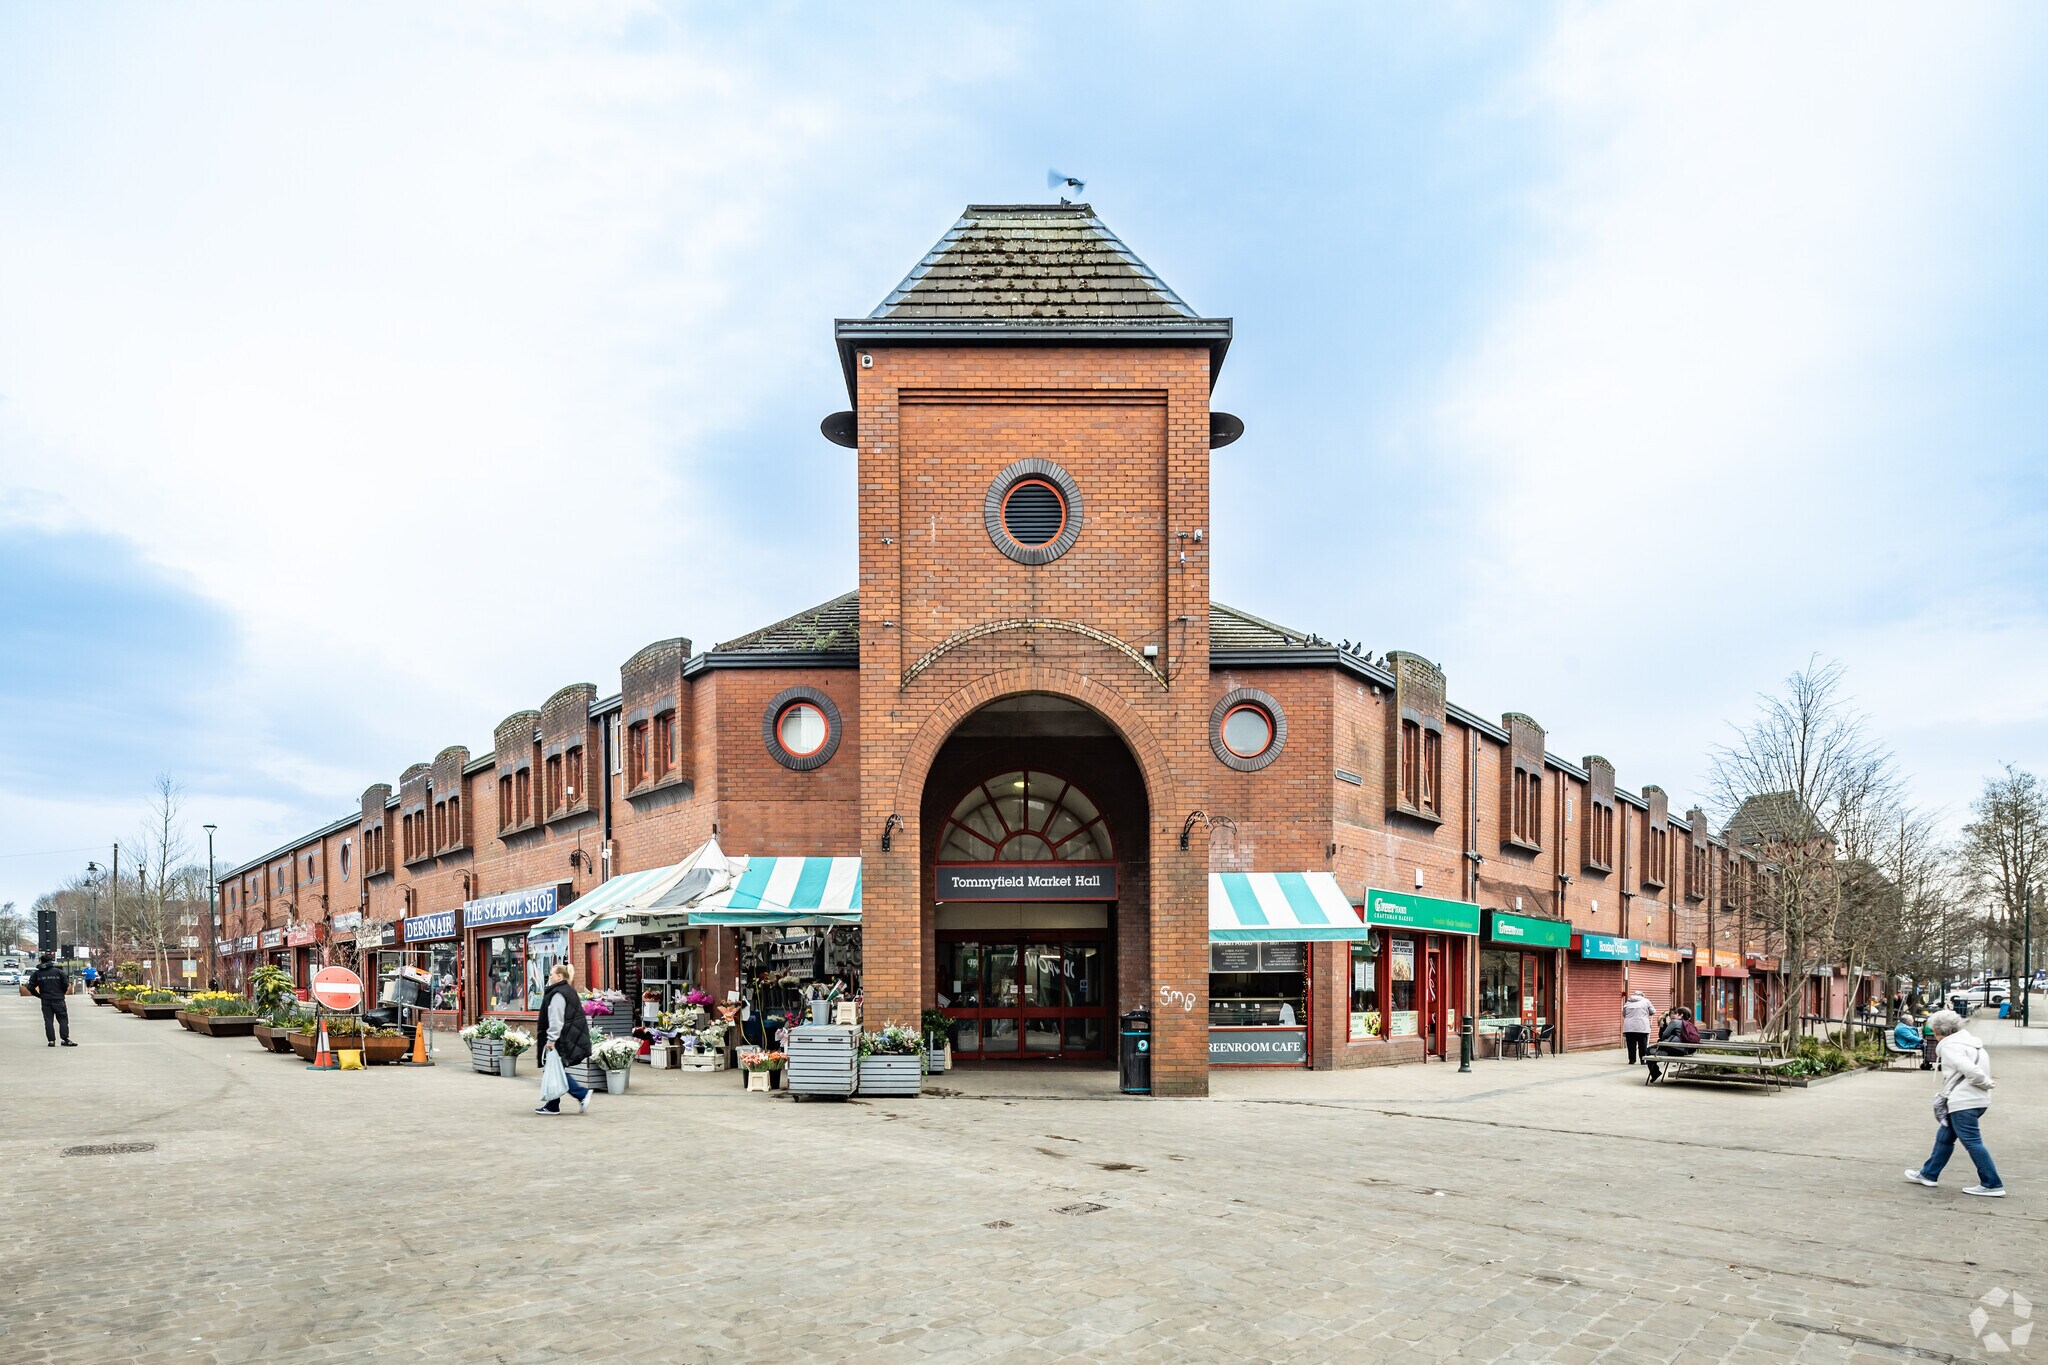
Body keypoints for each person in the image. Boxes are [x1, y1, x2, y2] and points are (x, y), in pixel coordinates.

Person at [1905, 1009, 2004, 1197]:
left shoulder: (1951, 1047)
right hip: (1976, 1100)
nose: (1933, 1035)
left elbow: (1970, 1070)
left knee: (1973, 1143)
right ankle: (1929, 1174)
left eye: (1933, 1031)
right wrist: (1984, 1084)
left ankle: (1992, 1183)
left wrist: (1985, 1082)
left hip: (1963, 1101)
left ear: (1940, 1030)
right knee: (1944, 1138)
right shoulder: (1973, 1044)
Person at [534, 962, 593, 1116]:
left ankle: (581, 1094)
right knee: (554, 1069)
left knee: (556, 1071)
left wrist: (551, 1040)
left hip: (561, 1039)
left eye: (552, 974)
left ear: (559, 976)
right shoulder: (568, 990)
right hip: (568, 1036)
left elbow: (556, 1018)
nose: (549, 977)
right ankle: (553, 1105)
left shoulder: (558, 993)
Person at [27, 953, 77, 1047]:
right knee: (62, 1019)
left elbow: (30, 987)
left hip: (45, 1000)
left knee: (48, 1020)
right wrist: (61, 993)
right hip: (58, 999)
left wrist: (39, 995)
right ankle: (65, 1039)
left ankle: (51, 1041)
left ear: (41, 961)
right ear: (51, 961)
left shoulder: (37, 974)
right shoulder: (59, 972)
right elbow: (65, 985)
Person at [1644, 1006, 1701, 1083]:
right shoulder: (1689, 1024)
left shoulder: (1675, 1022)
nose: (1675, 1015)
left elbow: (1664, 1035)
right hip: (1684, 1051)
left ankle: (1655, 1073)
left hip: (1673, 1048)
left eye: (1677, 1013)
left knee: (1648, 1051)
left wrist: (1668, 1024)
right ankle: (1655, 1072)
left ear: (1681, 1015)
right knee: (1653, 1051)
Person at [1621, 989, 1655, 1065]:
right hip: (1642, 1026)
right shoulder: (1646, 1001)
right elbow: (1653, 1011)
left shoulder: (1628, 1002)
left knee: (1631, 1045)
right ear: (1642, 995)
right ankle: (1643, 1060)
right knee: (1642, 1044)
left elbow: (1624, 1014)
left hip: (1629, 1026)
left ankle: (1632, 1060)